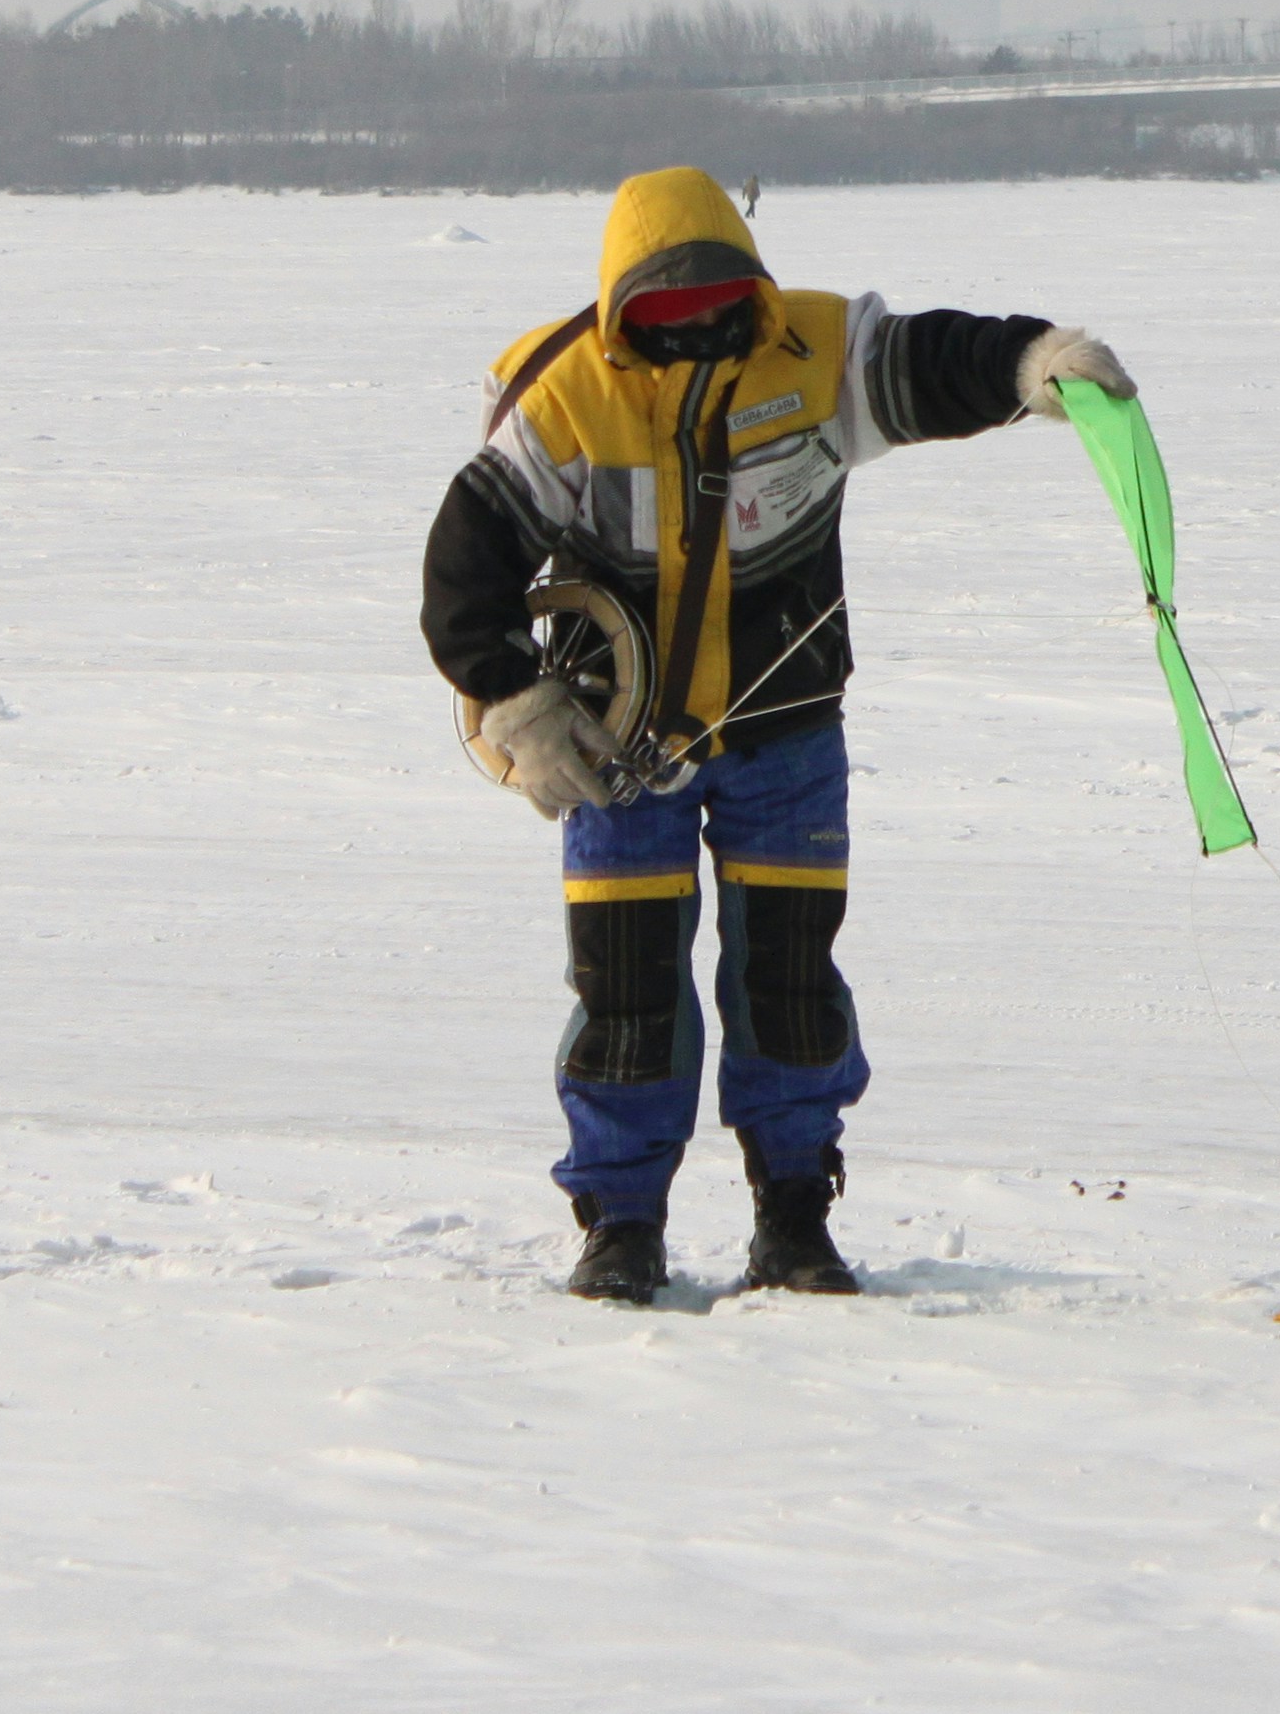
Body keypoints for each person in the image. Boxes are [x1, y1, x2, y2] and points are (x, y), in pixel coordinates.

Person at [419, 167, 1130, 1304]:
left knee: (790, 979)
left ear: (750, 290)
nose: (694, 329)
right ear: (619, 313)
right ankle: (621, 1226)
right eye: (661, 316)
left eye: (715, 305)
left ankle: (794, 1217)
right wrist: (512, 699)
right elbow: (466, 561)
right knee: (626, 992)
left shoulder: (816, 353)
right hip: (618, 758)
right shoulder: (563, 403)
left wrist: (1028, 364)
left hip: (788, 742)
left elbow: (930, 361)